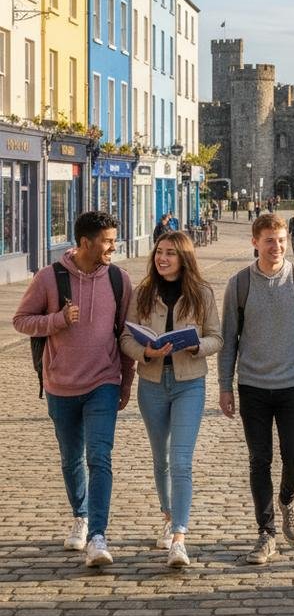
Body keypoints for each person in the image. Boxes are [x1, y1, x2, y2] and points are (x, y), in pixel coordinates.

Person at [13, 211, 134, 567]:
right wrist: (58, 320)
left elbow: (125, 333)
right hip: (61, 383)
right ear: (85, 243)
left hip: (104, 382)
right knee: (71, 459)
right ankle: (80, 517)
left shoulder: (119, 279)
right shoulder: (49, 278)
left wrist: (126, 381)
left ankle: (98, 535)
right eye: (108, 240)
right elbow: (21, 321)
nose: (113, 246)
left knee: (100, 457)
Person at [218, 214, 294, 564]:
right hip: (252, 386)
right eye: (269, 240)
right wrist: (225, 386)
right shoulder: (239, 284)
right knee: (259, 460)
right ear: (255, 242)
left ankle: (287, 500)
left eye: (280, 239)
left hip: (292, 384)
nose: (276, 246)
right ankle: (265, 534)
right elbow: (228, 340)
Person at [120, 231, 222, 567]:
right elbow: (125, 337)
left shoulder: (201, 292)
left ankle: (179, 536)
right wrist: (145, 351)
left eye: (170, 253)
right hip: (151, 383)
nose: (162, 258)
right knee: (160, 458)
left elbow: (216, 337)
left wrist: (196, 346)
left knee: (180, 461)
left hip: (188, 384)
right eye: (159, 252)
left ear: (184, 258)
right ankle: (167, 516)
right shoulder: (143, 292)